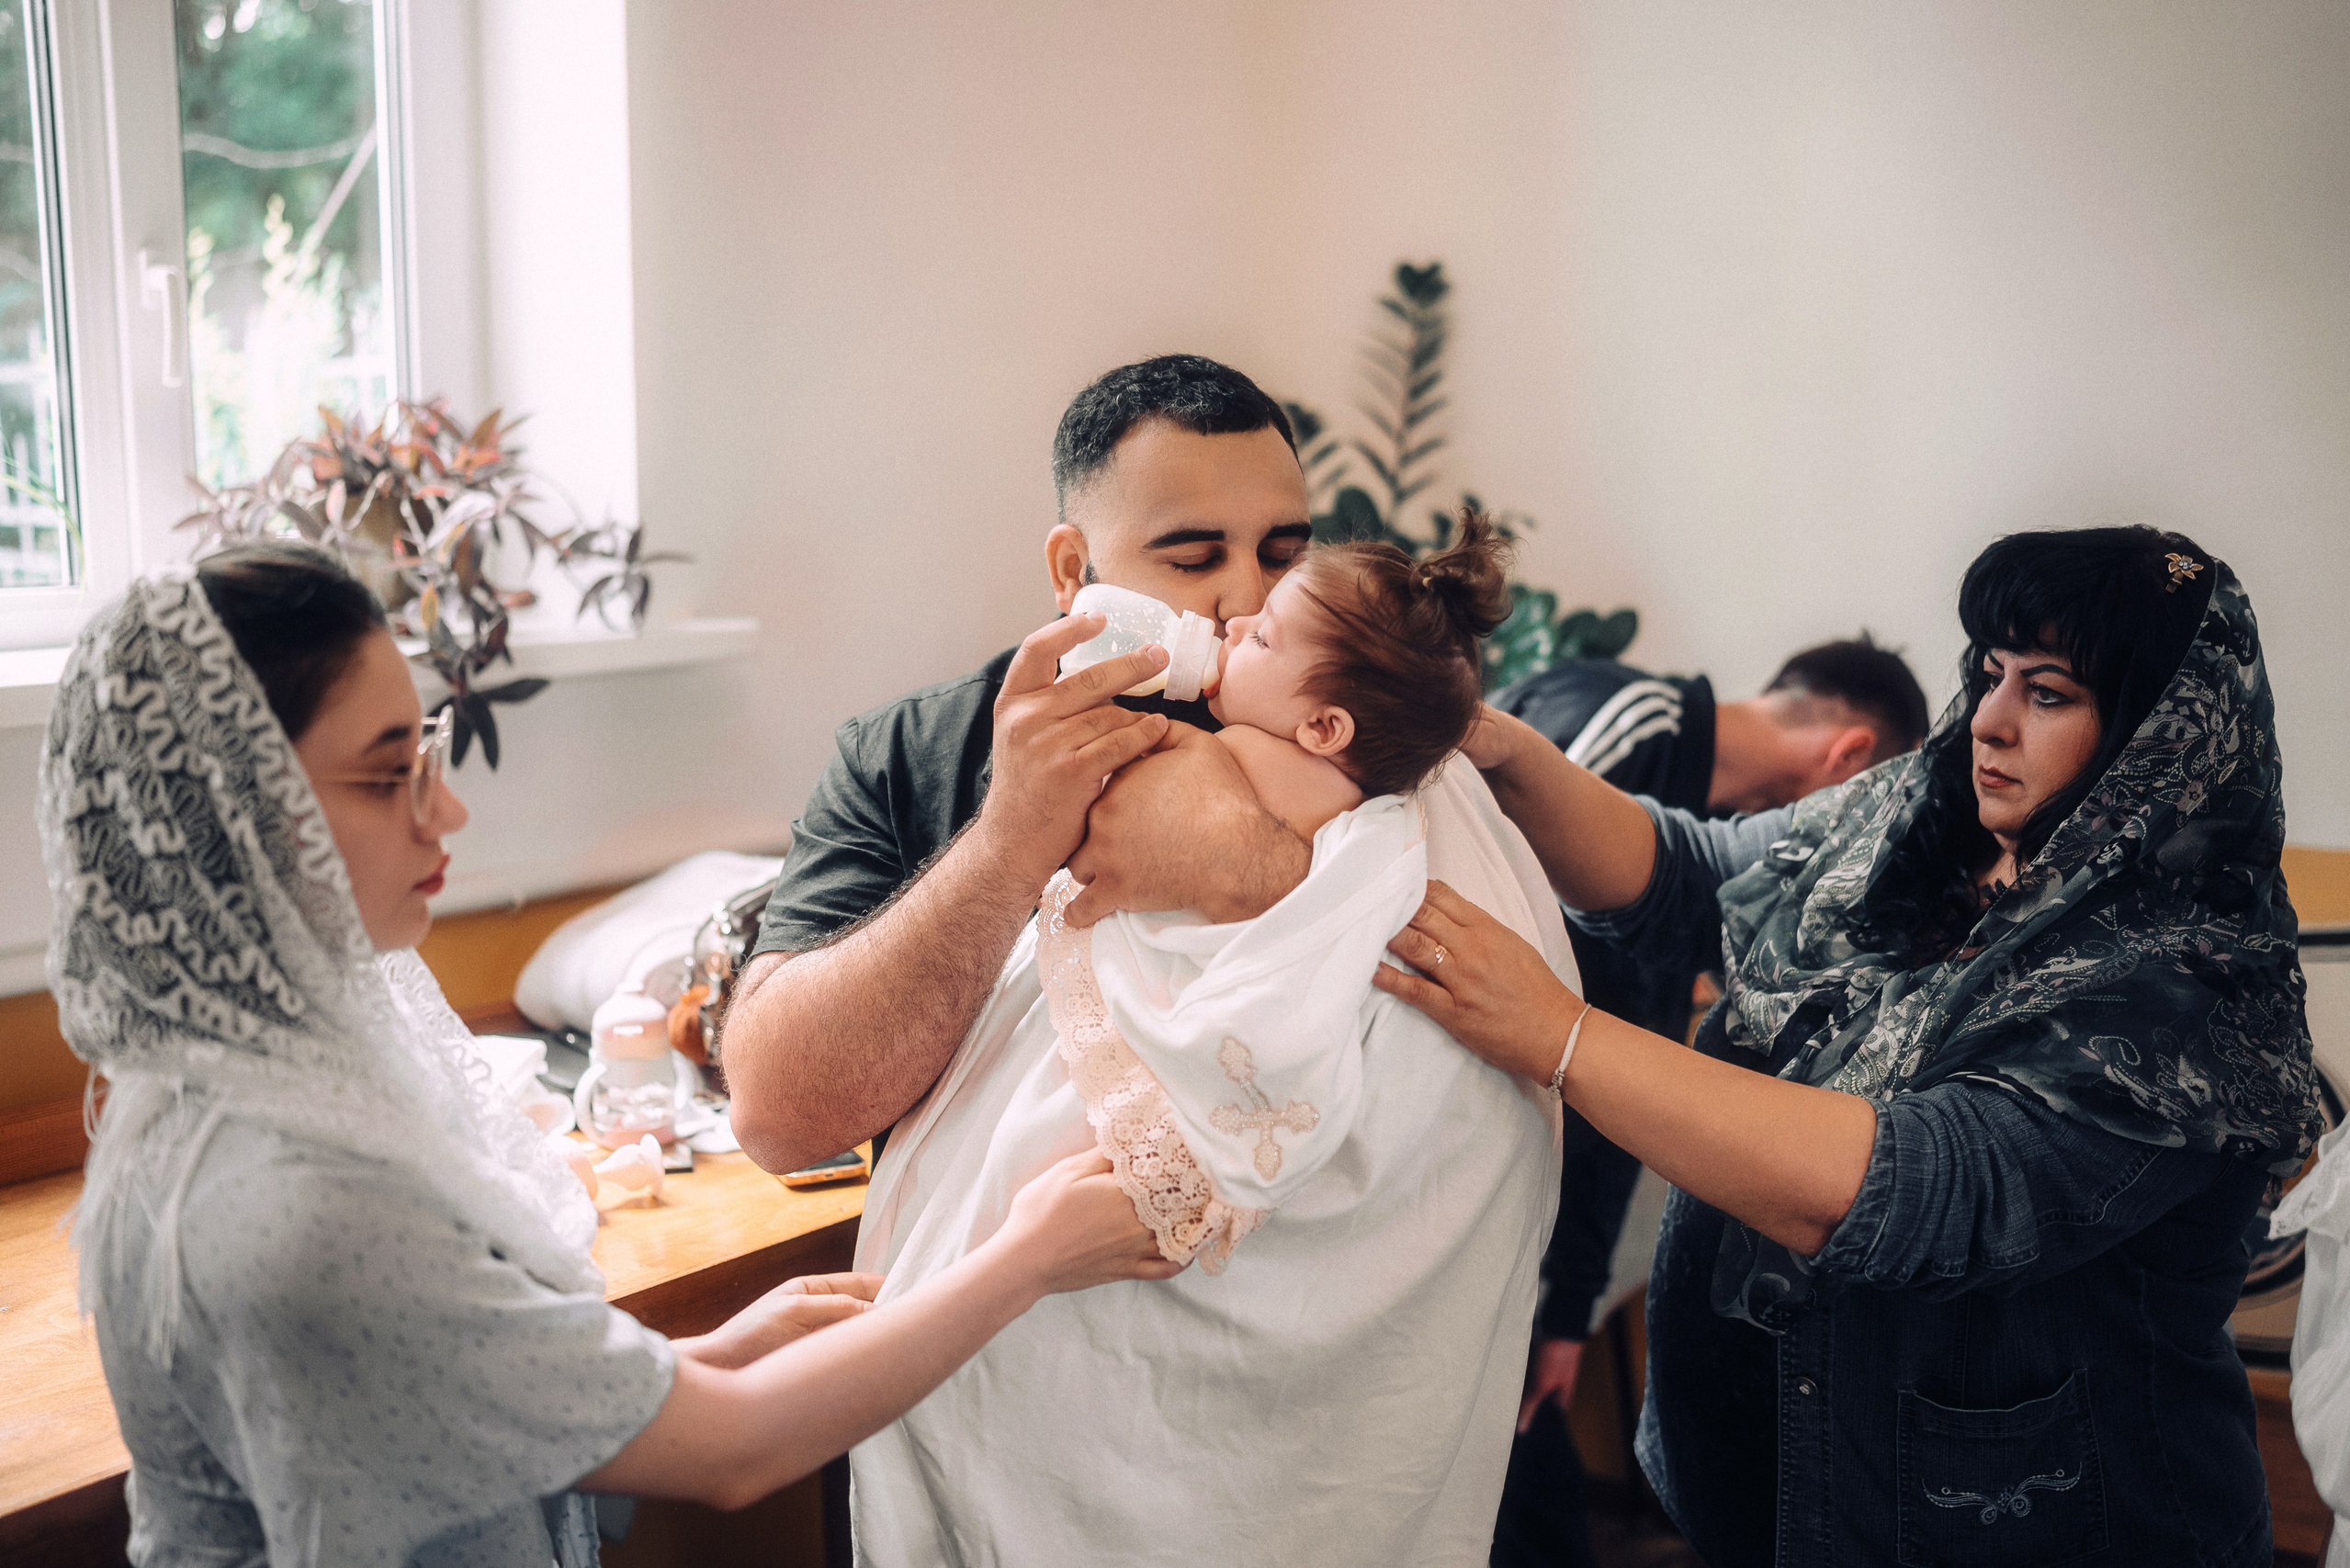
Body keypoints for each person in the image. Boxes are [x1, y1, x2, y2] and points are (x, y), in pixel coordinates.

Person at [48, 543, 1179, 1568]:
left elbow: (454, 1384)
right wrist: (1024, 1257)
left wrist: (712, 1353)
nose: (446, 816)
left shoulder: (237, 1083)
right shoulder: (294, 1202)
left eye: (428, 752)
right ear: (235, 815)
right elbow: (731, 1456)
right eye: (389, 774)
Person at [1373, 525, 2319, 1565]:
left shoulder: (2188, 980)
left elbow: (1914, 1190)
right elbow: (1696, 877)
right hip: (1790, 1494)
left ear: (2159, 738)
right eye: (1991, 673)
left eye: (2048, 694)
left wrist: (1561, 1037)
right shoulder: (1913, 816)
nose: (1989, 723)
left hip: (2030, 1526)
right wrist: (1504, 754)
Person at [850, 516, 1567, 1563]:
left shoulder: (1247, 761)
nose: (1229, 619)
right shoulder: (1369, 790)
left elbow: (1124, 824)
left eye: (1266, 624)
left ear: (1323, 727)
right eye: (1197, 569)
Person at [722, 354, 1323, 1174]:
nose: (1247, 598)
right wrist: (1007, 843)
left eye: (1284, 554)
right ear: (1074, 571)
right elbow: (778, 1122)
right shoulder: (906, 757)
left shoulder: (1346, 730)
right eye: (1193, 559)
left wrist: (1264, 864)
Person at [1486, 637, 1928, 1567]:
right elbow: (1585, 1066)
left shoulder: (1610, 717)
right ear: (1849, 763)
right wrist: (1563, 1309)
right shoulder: (1617, 753)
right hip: (1477, 1179)